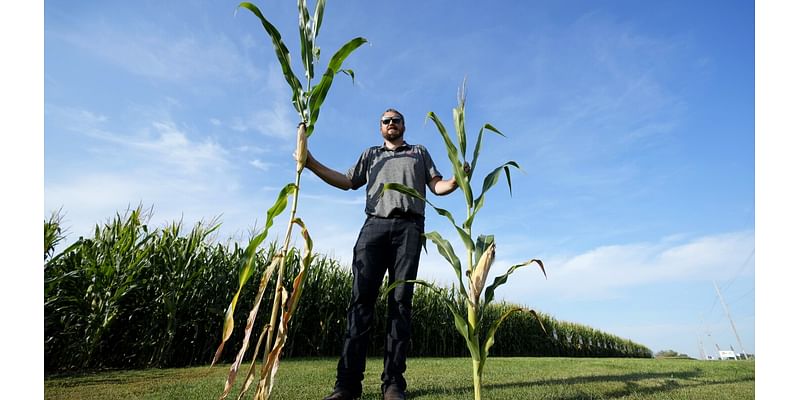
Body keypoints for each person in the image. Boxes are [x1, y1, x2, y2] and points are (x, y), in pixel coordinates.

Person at [299, 109, 464, 400]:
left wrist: (456, 181)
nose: (391, 124)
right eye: (385, 121)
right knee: (360, 302)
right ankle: (347, 386)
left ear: (403, 125)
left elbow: (437, 186)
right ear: (380, 128)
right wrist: (310, 163)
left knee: (400, 304)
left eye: (395, 120)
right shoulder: (371, 155)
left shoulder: (419, 152)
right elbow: (347, 181)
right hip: (374, 226)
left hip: (409, 229)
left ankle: (393, 384)